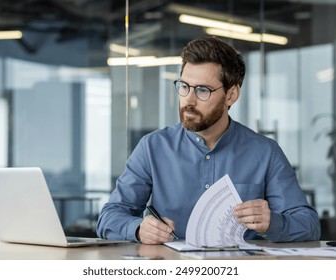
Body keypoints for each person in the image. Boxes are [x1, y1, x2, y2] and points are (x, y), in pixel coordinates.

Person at [97, 36, 321, 244]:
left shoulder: (265, 152)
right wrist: (138, 229)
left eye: (202, 90)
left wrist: (272, 223)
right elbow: (109, 216)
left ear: (231, 95)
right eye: (184, 87)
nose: (189, 100)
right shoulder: (152, 147)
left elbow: (309, 224)